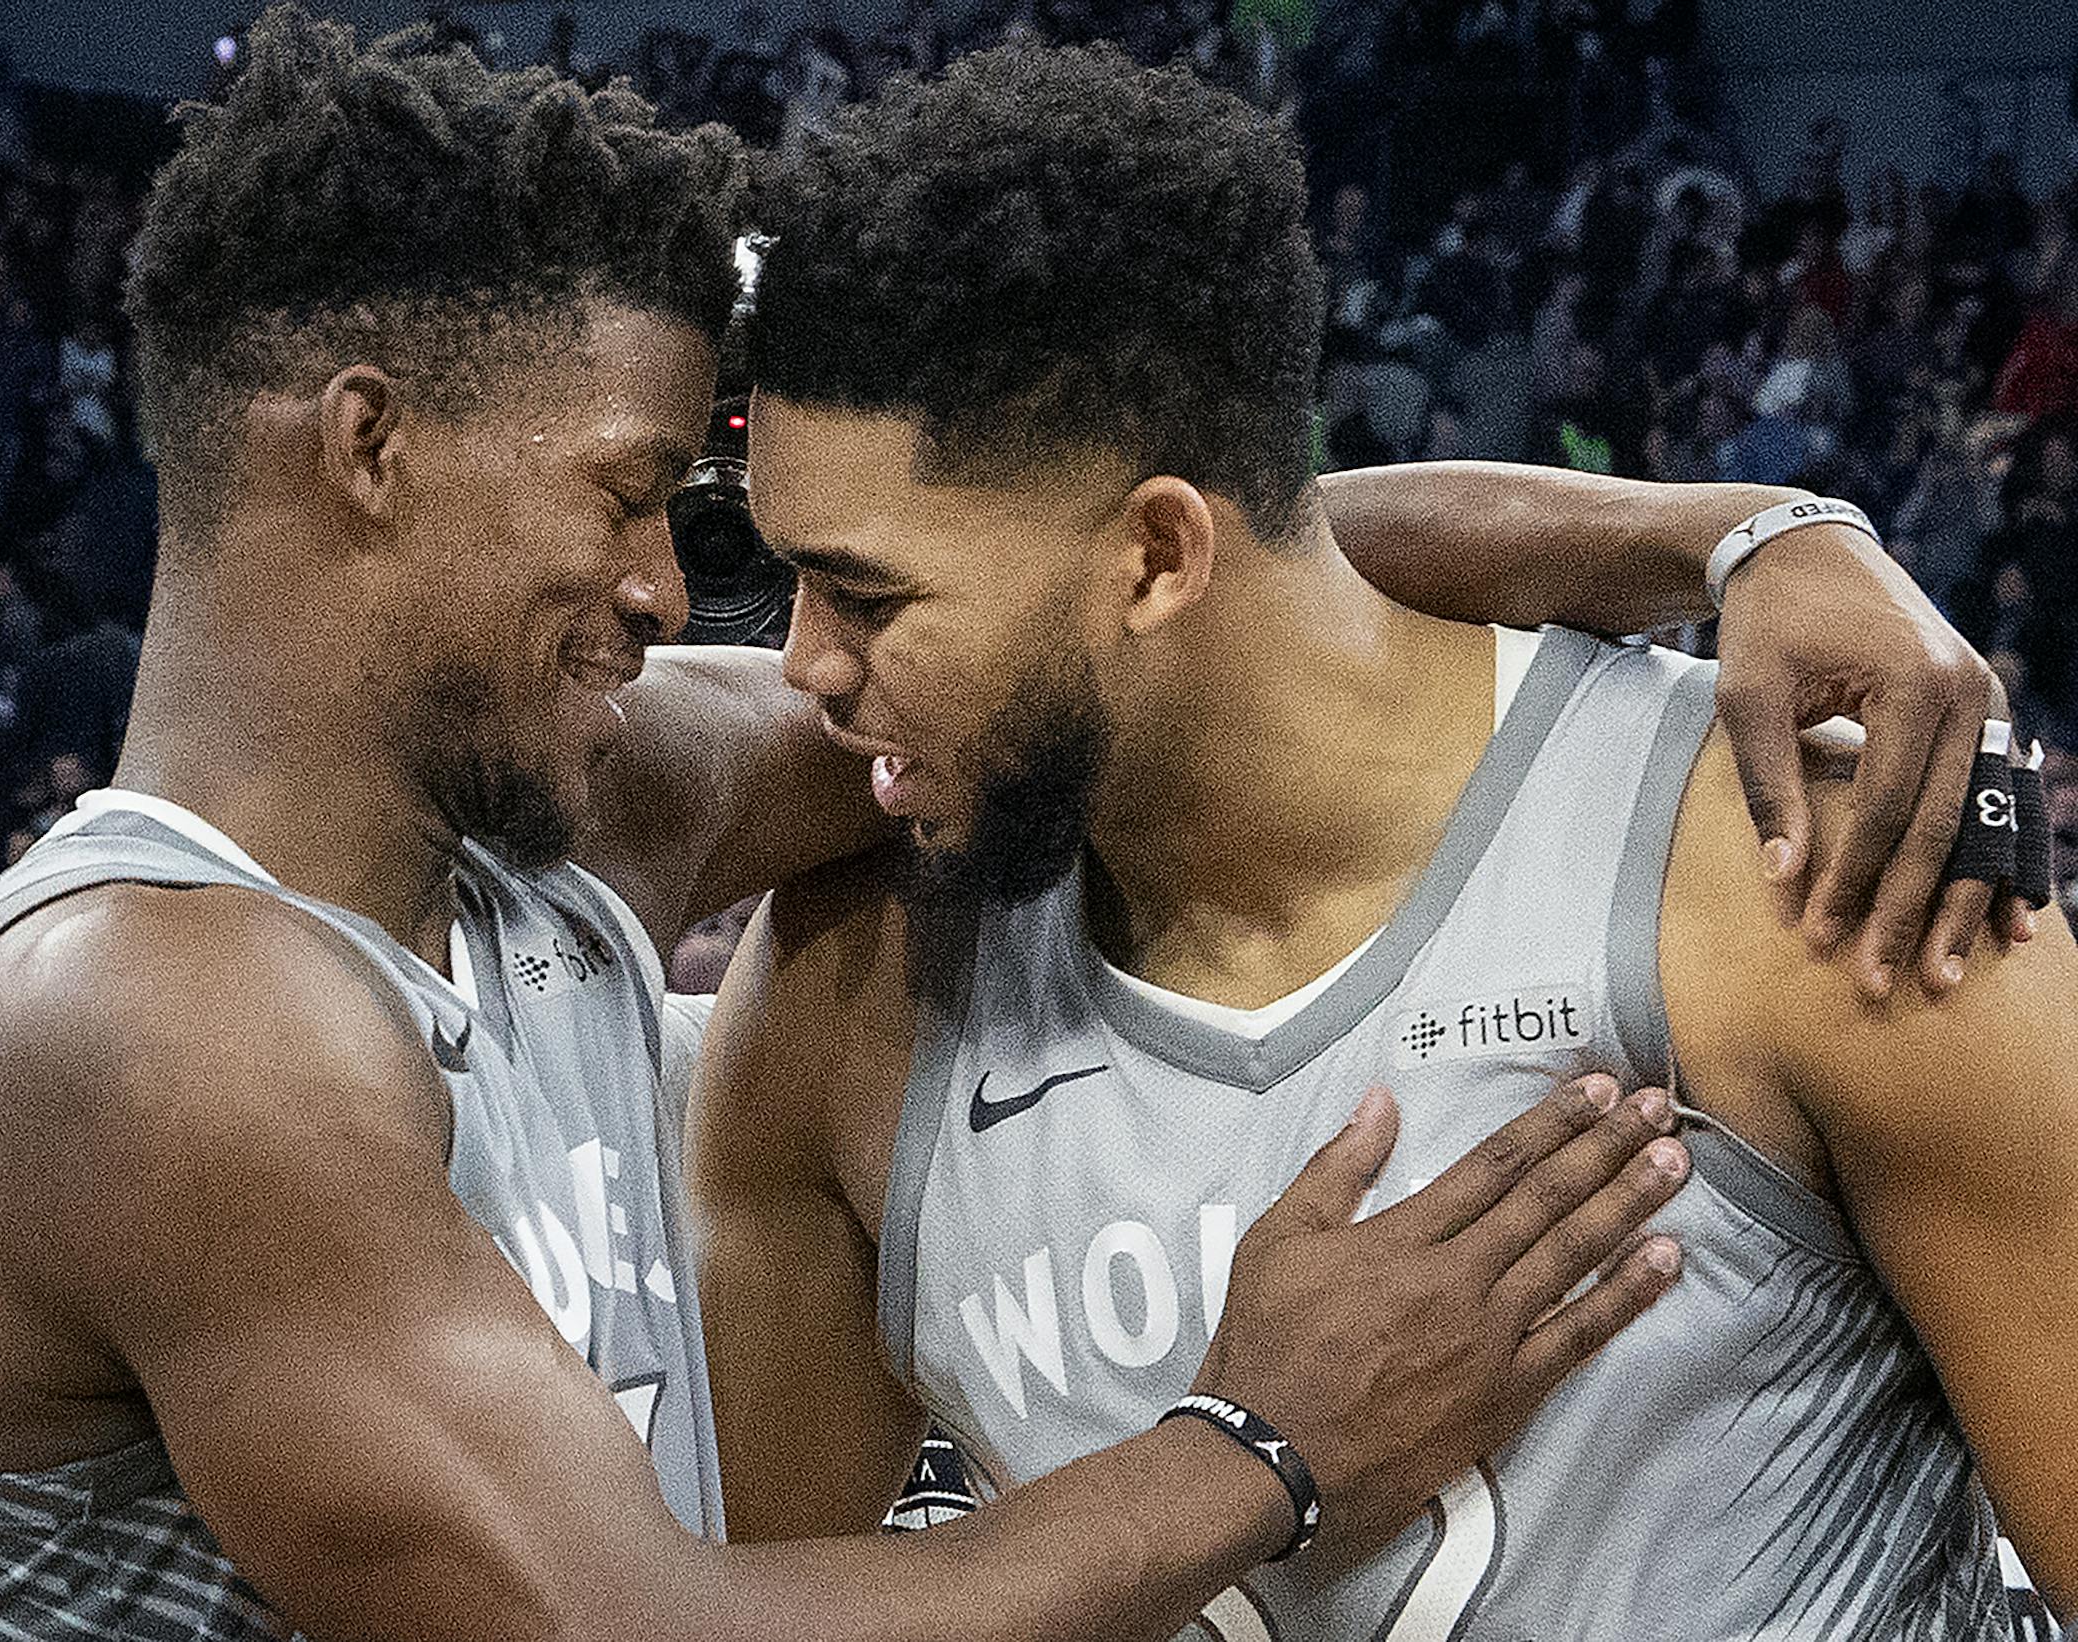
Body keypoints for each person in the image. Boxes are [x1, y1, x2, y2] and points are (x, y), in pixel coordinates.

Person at [0, 14, 2025, 1641]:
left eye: (733, 533)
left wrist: (1752, 535)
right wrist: (1264, 1443)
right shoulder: (144, 1016)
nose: (679, 595)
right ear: (367, 444)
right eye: (630, 490)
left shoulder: (581, 819)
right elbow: (611, 1624)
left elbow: (1188, 597)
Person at [692, 42, 2074, 1640]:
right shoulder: (833, 1000)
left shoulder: (1808, 867)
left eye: (865, 594)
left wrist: (1765, 522)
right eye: (783, 576)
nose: (798, 664)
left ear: (1154, 556)